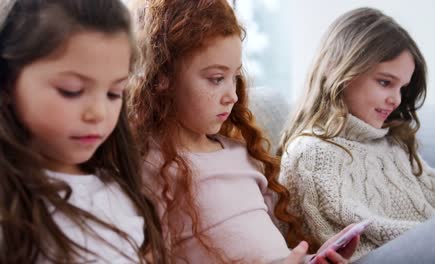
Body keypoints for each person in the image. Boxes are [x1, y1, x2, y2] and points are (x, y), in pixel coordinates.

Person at [128, 0, 359, 263]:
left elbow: (273, 254)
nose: (233, 96)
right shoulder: (150, 169)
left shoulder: (241, 155)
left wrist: (314, 259)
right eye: (216, 79)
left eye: (234, 78)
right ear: (162, 77)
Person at [278, 7, 435, 261]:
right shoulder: (310, 154)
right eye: (385, 82)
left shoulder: (390, 142)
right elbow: (350, 244)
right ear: (339, 69)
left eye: (402, 88)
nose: (396, 99)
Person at [0, 0, 166, 263]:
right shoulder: (10, 209)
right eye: (71, 90)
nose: (98, 113)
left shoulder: (121, 190)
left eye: (114, 93)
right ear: (8, 83)